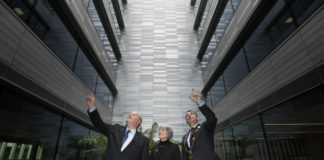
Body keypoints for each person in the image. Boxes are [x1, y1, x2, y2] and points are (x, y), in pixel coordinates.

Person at [85, 91, 149, 160]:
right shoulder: (115, 129)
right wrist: (92, 107)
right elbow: (99, 124)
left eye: (133, 115)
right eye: (129, 114)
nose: (130, 115)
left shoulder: (143, 140)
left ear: (138, 121)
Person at [181, 89, 220, 160]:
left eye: (191, 114)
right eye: (187, 115)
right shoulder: (184, 137)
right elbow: (185, 156)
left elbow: (212, 118)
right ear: (186, 121)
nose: (189, 116)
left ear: (197, 118)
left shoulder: (205, 127)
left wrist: (199, 102)